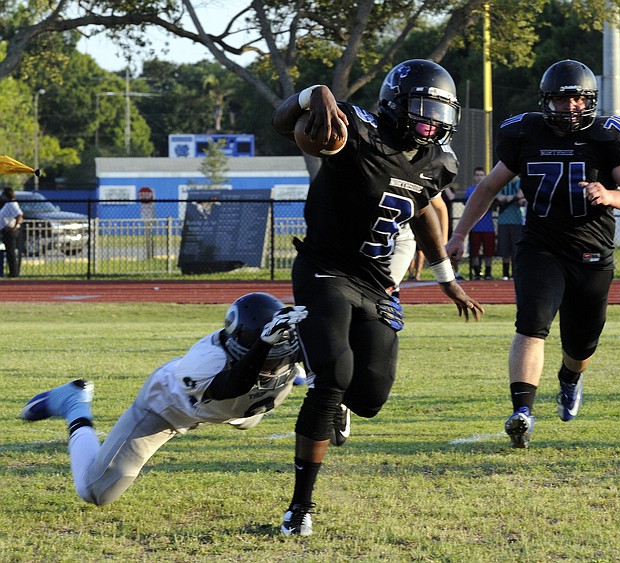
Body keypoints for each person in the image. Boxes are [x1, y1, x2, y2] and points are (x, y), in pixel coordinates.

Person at [271, 59, 484, 536]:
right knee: (333, 376)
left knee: (369, 396)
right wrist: (312, 94)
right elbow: (286, 124)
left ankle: (313, 355)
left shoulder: (440, 162)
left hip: (376, 280)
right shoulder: (357, 130)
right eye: (420, 107)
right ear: (393, 104)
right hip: (325, 267)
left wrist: (444, 274)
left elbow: (423, 208)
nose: (429, 119)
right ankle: (299, 509)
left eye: (438, 110)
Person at [446, 59, 620, 448]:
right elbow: (488, 187)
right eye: (561, 100)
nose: (569, 107)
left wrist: (609, 195)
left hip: (591, 251)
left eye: (577, 100)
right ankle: (522, 411)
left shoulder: (608, 138)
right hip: (540, 246)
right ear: (547, 101)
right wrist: (459, 234)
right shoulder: (526, 134)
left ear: (590, 100)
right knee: (532, 323)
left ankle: (570, 379)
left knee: (581, 343)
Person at [20, 293, 307, 506]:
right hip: (168, 407)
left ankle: (244, 413)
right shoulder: (207, 360)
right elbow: (231, 387)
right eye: (266, 357)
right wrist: (266, 349)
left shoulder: (290, 345)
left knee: (247, 417)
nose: (273, 365)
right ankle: (74, 404)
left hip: (229, 407)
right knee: (96, 492)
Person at [463, 166, 496, 280]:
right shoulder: (470, 190)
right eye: (477, 175)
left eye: (481, 175)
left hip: (488, 227)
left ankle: (488, 272)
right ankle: (477, 272)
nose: (479, 177)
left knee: (489, 252)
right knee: (474, 252)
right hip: (475, 227)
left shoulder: (491, 190)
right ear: (474, 177)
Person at [494, 176, 525, 280]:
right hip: (503, 219)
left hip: (516, 219)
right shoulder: (501, 180)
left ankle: (515, 272)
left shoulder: (519, 181)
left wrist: (512, 197)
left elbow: (521, 195)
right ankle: (505, 272)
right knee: (504, 247)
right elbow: (494, 192)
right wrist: (500, 196)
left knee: (515, 248)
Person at [0, 187, 23, 277]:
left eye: (3, 194)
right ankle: (12, 272)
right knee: (9, 252)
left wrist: (14, 227)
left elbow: (19, 215)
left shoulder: (12, 203)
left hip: (10, 232)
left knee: (11, 252)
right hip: (5, 230)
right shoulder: (8, 204)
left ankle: (13, 273)